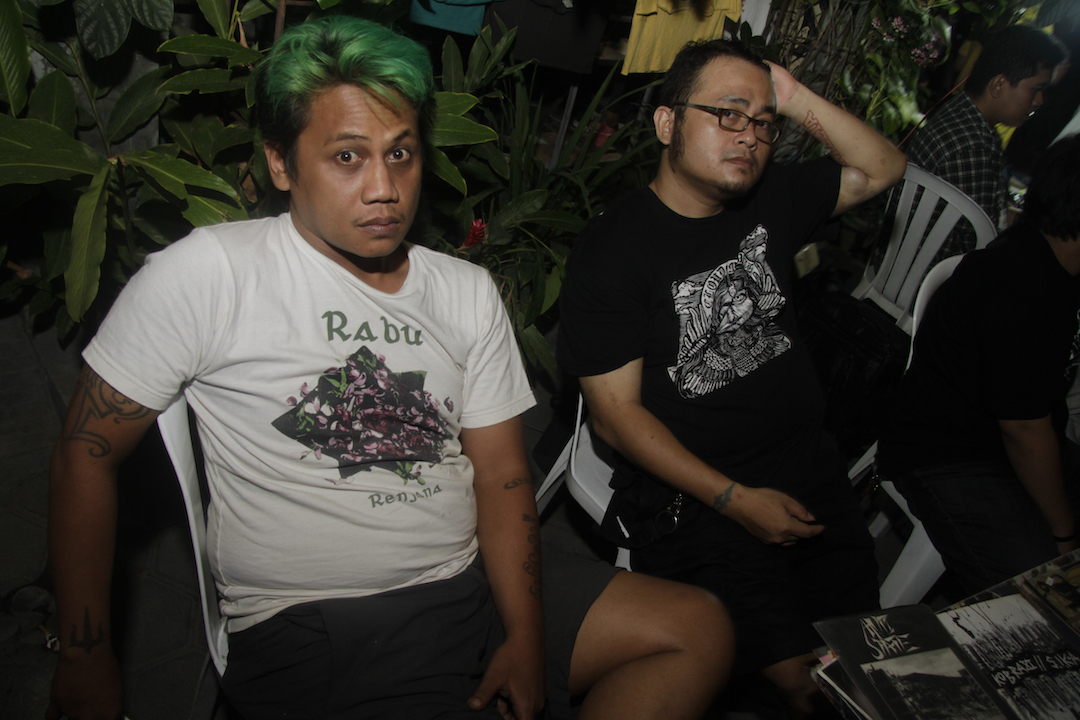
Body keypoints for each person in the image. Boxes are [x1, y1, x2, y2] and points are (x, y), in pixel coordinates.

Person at [46, 16, 735, 720]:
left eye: (400, 153)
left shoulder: (463, 291)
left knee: (697, 629)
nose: (385, 187)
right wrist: (84, 657)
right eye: (347, 157)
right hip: (327, 622)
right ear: (281, 163)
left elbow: (502, 477)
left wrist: (525, 637)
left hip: (469, 573)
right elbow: (85, 453)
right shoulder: (211, 273)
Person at [557, 38, 906, 715]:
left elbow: (883, 167)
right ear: (667, 123)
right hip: (696, 498)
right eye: (727, 114)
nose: (749, 135)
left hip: (809, 468)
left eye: (762, 122)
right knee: (806, 684)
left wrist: (791, 96)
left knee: (863, 655)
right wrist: (734, 500)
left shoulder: (769, 198)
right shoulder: (614, 251)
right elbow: (616, 417)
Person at [878, 134, 1080, 599]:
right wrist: (1064, 533)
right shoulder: (1023, 284)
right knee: (1042, 591)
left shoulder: (1050, 260)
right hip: (945, 455)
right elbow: (1024, 429)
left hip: (997, 442)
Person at [907, 25, 1065, 260]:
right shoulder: (976, 148)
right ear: (998, 85)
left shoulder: (959, 111)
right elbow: (983, 242)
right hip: (932, 273)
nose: (1040, 100)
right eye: (1036, 89)